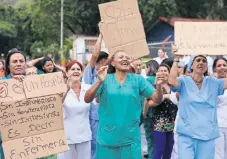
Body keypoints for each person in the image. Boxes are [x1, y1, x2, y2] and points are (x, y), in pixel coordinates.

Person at [84, 50, 165, 159]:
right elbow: (87, 99)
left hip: (130, 139)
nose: (125, 59)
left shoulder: (138, 80)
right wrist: (99, 81)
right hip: (107, 138)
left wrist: (159, 87)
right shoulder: (105, 79)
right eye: (121, 57)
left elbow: (157, 99)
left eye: (127, 57)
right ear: (113, 62)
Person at [168, 45, 227, 159]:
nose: (201, 62)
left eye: (204, 61)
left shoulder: (213, 83)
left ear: (207, 67)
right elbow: (171, 81)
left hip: (207, 136)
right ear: (192, 65)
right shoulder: (184, 81)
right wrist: (176, 59)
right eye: (198, 60)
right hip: (186, 136)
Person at [82, 27, 109, 159]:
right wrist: (101, 35)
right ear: (101, 62)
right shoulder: (90, 73)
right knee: (95, 149)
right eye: (105, 62)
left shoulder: (110, 75)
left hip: (109, 117)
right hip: (95, 118)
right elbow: (94, 56)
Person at [57, 60, 91, 159]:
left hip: (84, 135)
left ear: (82, 73)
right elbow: (56, 105)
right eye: (72, 69)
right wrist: (67, 88)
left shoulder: (88, 89)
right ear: (66, 72)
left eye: (78, 69)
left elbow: (97, 102)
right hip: (66, 136)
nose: (76, 71)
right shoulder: (60, 89)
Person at [145, 64, 178, 159]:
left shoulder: (174, 86)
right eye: (160, 70)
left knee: (169, 151)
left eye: (165, 71)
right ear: (157, 73)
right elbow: (150, 103)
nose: (162, 73)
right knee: (159, 150)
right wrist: (165, 97)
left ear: (169, 73)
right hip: (159, 123)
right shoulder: (153, 86)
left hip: (173, 123)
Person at [0, 48, 27, 159]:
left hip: (31, 139)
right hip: (8, 138)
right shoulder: (1, 83)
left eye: (21, 61)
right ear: (8, 65)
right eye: (15, 62)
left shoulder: (36, 83)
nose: (18, 64)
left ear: (25, 64)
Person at [213, 57, 227, 159]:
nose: (222, 68)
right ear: (214, 69)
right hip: (218, 125)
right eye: (219, 65)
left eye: (224, 65)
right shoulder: (211, 84)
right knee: (219, 156)